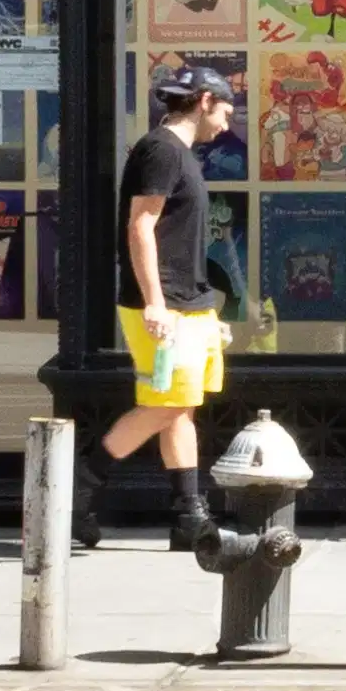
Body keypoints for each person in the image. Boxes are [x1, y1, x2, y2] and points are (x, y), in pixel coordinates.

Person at [86, 63, 235, 551]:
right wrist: (154, 303)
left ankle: (189, 516)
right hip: (164, 305)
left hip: (186, 303)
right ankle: (75, 487)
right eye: (226, 110)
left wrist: (204, 312)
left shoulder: (178, 153)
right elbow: (140, 226)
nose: (228, 124)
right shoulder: (162, 150)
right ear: (206, 101)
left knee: (181, 407)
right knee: (166, 402)